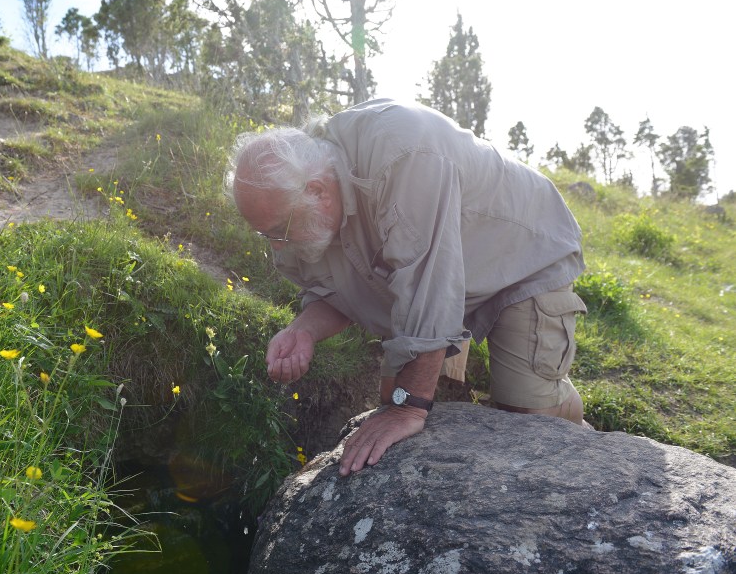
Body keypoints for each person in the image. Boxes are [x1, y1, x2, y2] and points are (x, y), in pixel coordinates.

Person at [225, 98, 588, 478]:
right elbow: (338, 293)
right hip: (444, 272)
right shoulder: (301, 208)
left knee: (526, 413)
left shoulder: (403, 155)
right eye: (264, 234)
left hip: (522, 254)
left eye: (279, 230)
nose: (277, 247)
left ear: (317, 191)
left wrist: (409, 406)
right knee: (391, 396)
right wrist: (304, 330)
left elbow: (432, 288)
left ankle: (581, 426)